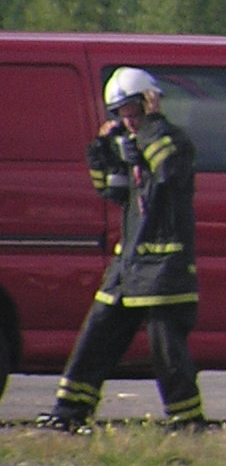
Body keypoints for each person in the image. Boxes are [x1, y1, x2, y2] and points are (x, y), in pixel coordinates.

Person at [38, 68, 206, 431]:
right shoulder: (134, 144)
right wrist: (104, 152)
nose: (128, 120)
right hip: (128, 266)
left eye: (134, 110)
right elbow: (112, 192)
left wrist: (149, 129)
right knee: (96, 334)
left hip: (164, 265)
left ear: (150, 103)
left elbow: (166, 173)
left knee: (166, 348)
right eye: (121, 113)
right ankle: (69, 411)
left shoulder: (173, 141)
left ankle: (187, 419)